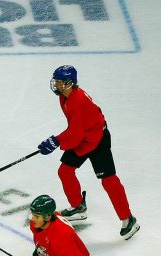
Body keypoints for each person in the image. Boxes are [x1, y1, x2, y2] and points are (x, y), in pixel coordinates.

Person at [37, 65, 139, 240]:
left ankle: (128, 219)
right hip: (84, 138)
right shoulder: (64, 97)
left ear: (70, 83)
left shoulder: (78, 101)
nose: (56, 85)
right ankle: (78, 207)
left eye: (60, 82)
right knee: (65, 171)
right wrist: (58, 140)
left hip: (98, 140)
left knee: (108, 181)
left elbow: (75, 133)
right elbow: (76, 130)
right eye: (56, 81)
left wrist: (56, 141)